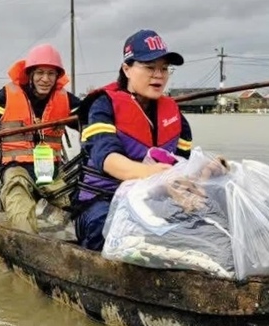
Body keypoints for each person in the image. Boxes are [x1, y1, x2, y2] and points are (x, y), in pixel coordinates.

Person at [74, 29, 193, 251]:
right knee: (107, 227)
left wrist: (210, 170)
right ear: (127, 69)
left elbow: (184, 165)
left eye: (164, 68)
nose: (158, 75)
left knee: (201, 225)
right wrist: (156, 173)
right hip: (102, 200)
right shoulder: (102, 105)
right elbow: (108, 159)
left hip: (154, 200)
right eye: (149, 67)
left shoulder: (176, 116)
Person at [0, 43, 81, 233]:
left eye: (51, 74)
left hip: (50, 170)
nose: (45, 79)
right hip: (16, 168)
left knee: (78, 204)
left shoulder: (66, 99)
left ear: (57, 77)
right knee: (18, 204)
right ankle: (30, 244)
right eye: (40, 73)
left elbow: (90, 117)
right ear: (31, 75)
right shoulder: (7, 95)